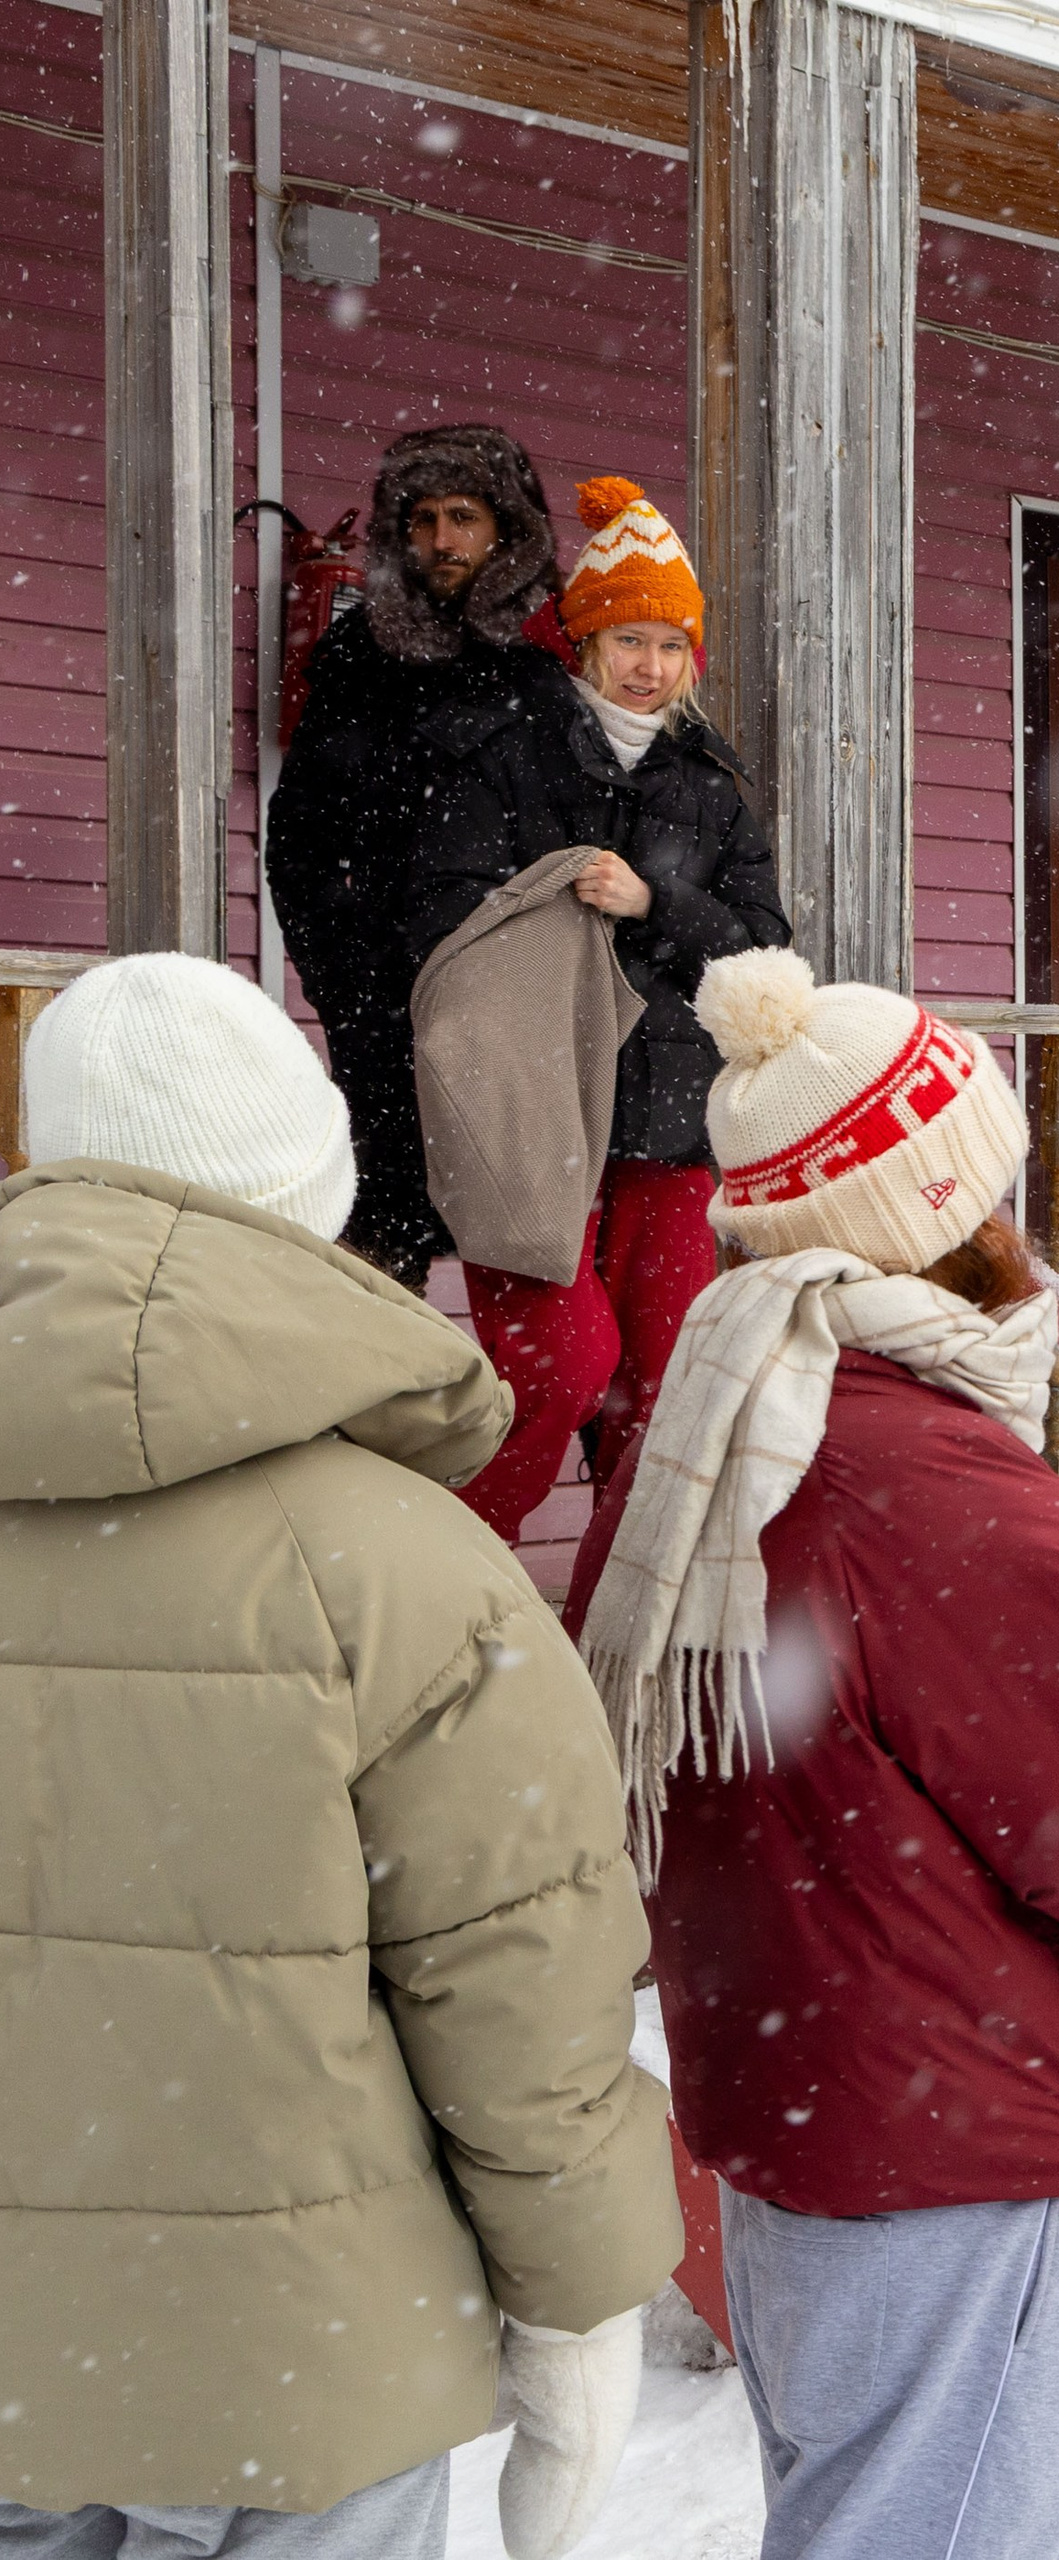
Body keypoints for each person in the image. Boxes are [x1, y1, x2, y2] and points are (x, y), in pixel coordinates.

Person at [569, 951, 1059, 2560]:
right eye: (995, 1184)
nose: (1022, 1227)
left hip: (820, 2106)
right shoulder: (904, 1477)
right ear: (933, 1211)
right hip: (960, 2132)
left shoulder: (718, 1430)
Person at [0, 955, 683, 2558]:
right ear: (301, 1191)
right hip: (303, 2368)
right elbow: (521, 1990)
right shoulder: (406, 1570)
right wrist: (580, 2316)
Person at [406, 475, 790, 1546]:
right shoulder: (504, 755)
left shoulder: (711, 786)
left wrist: (651, 901)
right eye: (629, 638)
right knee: (562, 1371)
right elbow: (443, 915)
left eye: (671, 644)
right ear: (583, 641)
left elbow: (762, 944)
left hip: (664, 1128)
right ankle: (444, 1573)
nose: (650, 666)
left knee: (657, 1394)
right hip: (532, 1114)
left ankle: (611, 1635)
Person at [264, 422, 564, 1290]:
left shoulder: (541, 672)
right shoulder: (358, 659)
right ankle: (374, 1420)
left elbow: (568, 849)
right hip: (379, 1003)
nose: (441, 540)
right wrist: (343, 975)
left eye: (464, 516)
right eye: (424, 517)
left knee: (521, 1250)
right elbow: (301, 834)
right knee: (377, 1255)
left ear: (505, 528)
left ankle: (500, 1426)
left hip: (506, 1018)